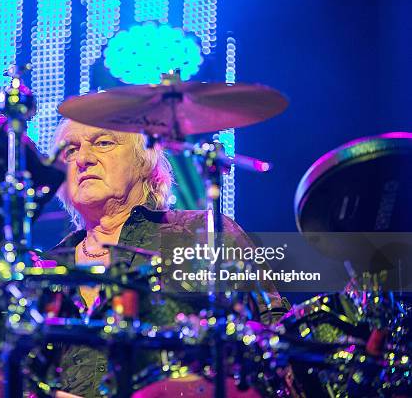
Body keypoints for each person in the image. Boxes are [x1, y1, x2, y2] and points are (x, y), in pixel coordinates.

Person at [45, 119, 288, 397]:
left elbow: (275, 341)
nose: (84, 159)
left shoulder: (203, 235)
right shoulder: (44, 269)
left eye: (103, 143)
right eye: (70, 151)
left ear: (144, 160)